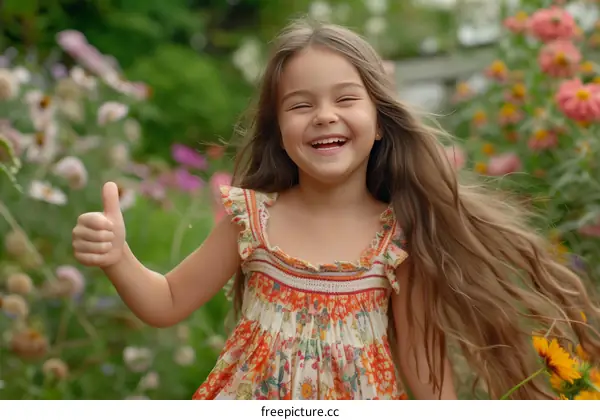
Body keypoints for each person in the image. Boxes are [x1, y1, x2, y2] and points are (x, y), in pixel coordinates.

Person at [72, 18, 600, 400]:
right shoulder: (250, 219)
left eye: (346, 99)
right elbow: (165, 302)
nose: (324, 117)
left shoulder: (399, 237)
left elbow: (424, 366)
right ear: (278, 128)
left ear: (379, 116)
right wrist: (118, 256)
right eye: (301, 105)